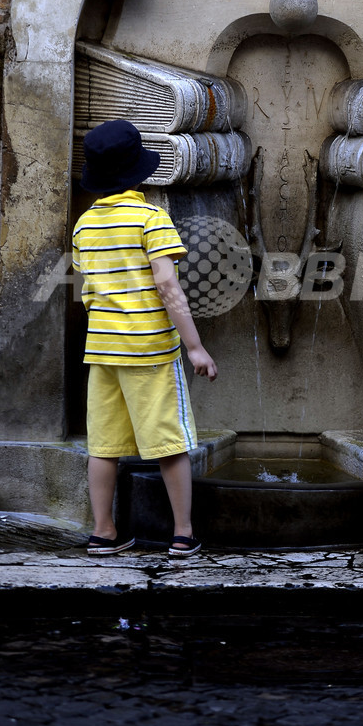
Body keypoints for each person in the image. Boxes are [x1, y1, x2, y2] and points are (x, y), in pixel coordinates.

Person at [72, 118, 217, 558]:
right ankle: (182, 533)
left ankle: (104, 531)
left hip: (102, 350)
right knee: (168, 442)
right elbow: (168, 286)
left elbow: (87, 293)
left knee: (104, 444)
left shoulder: (84, 225)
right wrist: (194, 346)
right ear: (139, 170)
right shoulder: (152, 218)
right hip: (151, 348)